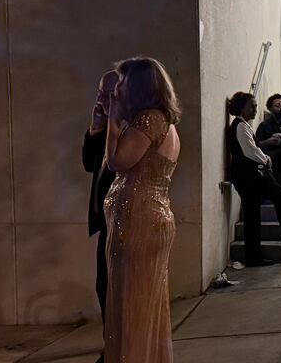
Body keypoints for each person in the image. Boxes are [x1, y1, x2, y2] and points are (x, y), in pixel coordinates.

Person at [103, 57, 182, 362]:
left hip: (139, 220)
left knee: (132, 305)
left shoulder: (148, 120)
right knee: (145, 302)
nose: (117, 88)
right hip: (151, 215)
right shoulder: (163, 121)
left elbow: (117, 162)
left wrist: (112, 120)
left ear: (136, 86)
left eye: (121, 82)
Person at [227, 92, 281, 267]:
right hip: (248, 176)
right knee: (278, 195)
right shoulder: (240, 126)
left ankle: (254, 255)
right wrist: (266, 159)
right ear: (242, 108)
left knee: (253, 214)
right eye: (252, 106)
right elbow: (250, 150)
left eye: (255, 106)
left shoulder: (243, 125)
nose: (255, 109)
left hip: (246, 175)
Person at [81, 69, 118, 363]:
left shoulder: (129, 127)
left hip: (123, 217)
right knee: (102, 285)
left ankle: (116, 350)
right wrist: (95, 130)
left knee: (115, 288)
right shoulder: (103, 126)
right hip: (104, 219)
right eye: (98, 93)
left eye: (106, 93)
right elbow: (87, 164)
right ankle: (112, 346)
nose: (100, 99)